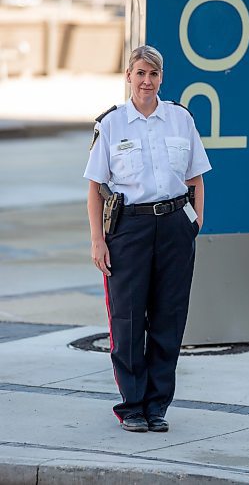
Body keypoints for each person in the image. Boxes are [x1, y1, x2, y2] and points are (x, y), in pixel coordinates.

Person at [84, 45, 211, 433]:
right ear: (128, 76)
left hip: (175, 226)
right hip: (129, 229)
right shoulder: (111, 125)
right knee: (127, 319)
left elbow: (195, 178)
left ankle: (157, 405)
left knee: (169, 317)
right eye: (140, 73)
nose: (146, 81)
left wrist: (195, 223)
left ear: (161, 78)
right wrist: (97, 240)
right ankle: (132, 405)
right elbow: (95, 186)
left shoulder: (180, 119)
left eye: (153, 74)